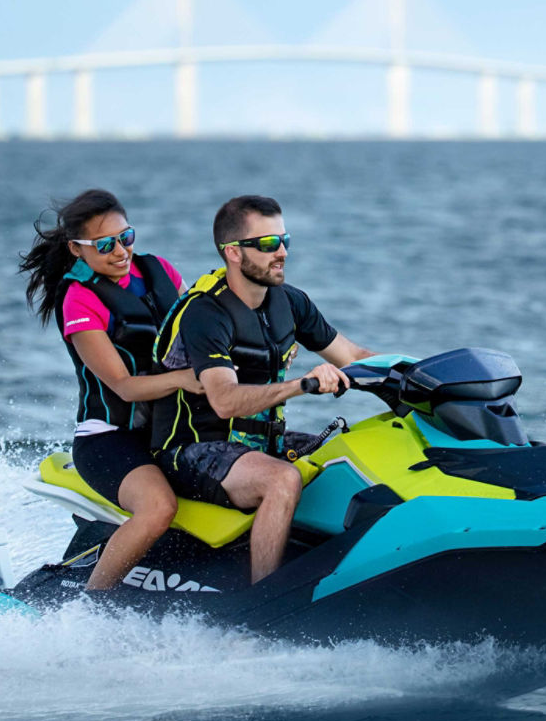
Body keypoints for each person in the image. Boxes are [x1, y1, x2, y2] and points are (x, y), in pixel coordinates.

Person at [153, 195, 378, 585]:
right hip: (194, 449)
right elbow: (223, 401)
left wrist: (424, 374)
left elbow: (352, 354)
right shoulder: (206, 313)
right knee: (282, 479)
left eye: (285, 240)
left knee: (361, 451)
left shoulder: (289, 302)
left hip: (261, 443)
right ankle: (262, 606)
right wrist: (301, 385)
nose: (283, 253)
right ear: (234, 253)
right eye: (269, 244)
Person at [19, 189, 202, 590]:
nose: (120, 251)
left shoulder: (161, 272)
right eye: (104, 245)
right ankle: (91, 607)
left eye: (127, 237)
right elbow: (123, 386)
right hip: (109, 440)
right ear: (76, 249)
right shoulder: (79, 300)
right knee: (158, 508)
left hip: (170, 432)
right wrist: (185, 379)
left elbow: (203, 333)